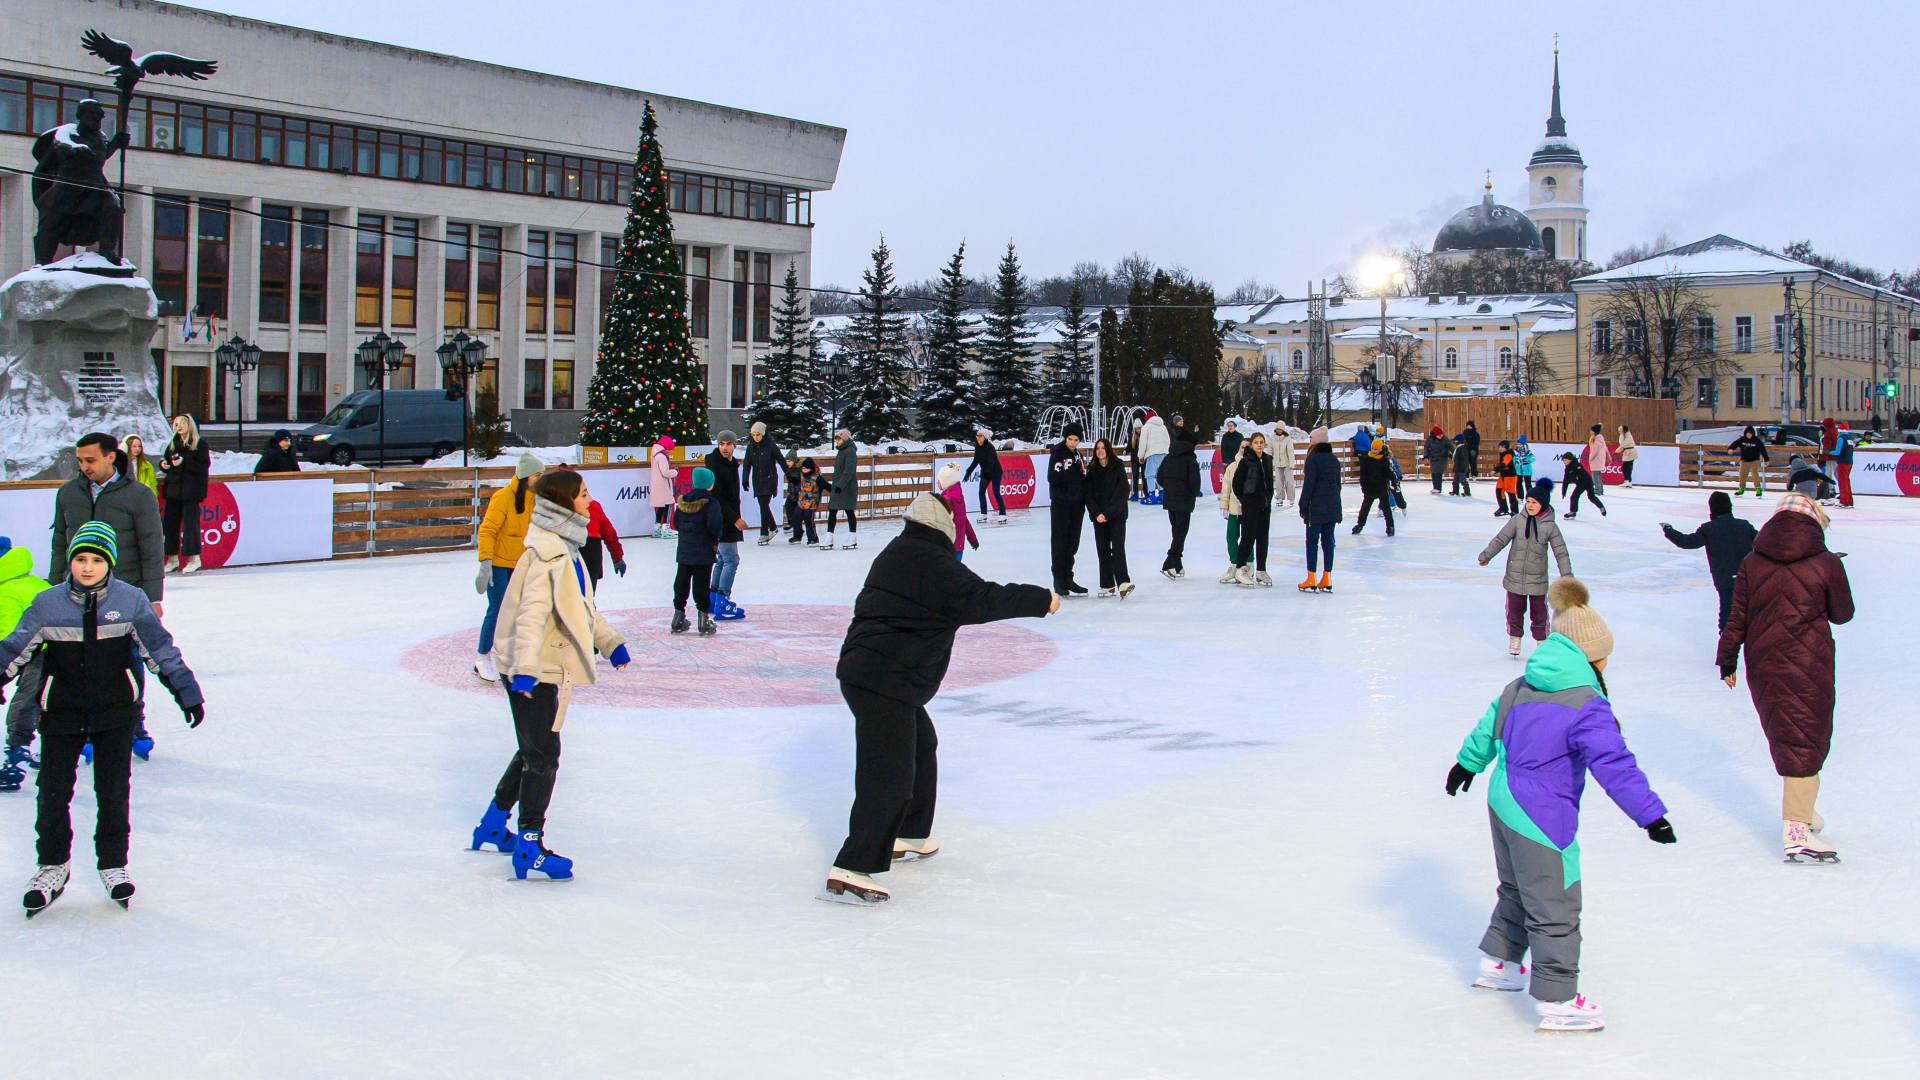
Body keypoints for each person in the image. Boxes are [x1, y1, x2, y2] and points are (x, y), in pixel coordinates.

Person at [1445, 577, 1674, 1033]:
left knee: (1515, 888)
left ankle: (1501, 965)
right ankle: (1558, 1000)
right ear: (1592, 656)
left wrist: (1466, 765)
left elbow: (1488, 727)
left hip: (1502, 801)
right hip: (1542, 815)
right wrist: (1650, 814)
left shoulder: (1521, 684)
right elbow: (1614, 764)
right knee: (1555, 902)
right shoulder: (1587, 704)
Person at [821, 494, 1057, 905]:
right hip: (884, 678)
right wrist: (1039, 599)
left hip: (878, 674)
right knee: (887, 774)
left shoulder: (902, 550)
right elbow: (980, 598)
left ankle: (908, 833)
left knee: (921, 746)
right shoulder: (929, 562)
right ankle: (852, 867)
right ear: (944, 526)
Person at [2, 522, 205, 916]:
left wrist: (187, 692)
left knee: (113, 793)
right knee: (52, 794)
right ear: (70, 562)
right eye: (81, 559)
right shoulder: (48, 604)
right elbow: (14, 648)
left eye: (97, 560)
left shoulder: (130, 601)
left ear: (108, 563)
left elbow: (160, 649)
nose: (88, 567)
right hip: (60, 714)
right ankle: (52, 867)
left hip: (115, 714)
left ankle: (113, 864)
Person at [471, 470, 631, 881]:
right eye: (582, 494)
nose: (589, 498)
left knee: (533, 748)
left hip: (539, 664)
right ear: (563, 504)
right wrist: (524, 671)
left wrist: (610, 642)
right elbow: (531, 616)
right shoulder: (549, 556)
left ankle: (493, 823)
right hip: (532, 667)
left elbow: (581, 610)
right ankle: (529, 846)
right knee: (544, 755)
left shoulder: (566, 550)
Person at [1716, 494, 1853, 863]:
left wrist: (1727, 659)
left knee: (1790, 734)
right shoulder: (1825, 562)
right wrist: (1832, 577)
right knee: (1805, 737)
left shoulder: (1752, 561)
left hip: (1762, 660)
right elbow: (1843, 614)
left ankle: (1803, 811)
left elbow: (1737, 615)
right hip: (1809, 661)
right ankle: (1796, 829)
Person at [1479, 478, 1572, 656]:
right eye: (1528, 501)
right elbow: (1501, 539)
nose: (1530, 505)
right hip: (1514, 576)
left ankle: (1541, 642)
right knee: (1514, 611)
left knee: (1539, 614)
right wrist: (1486, 555)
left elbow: (1561, 552)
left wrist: (1566, 575)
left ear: (1542, 504)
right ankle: (1515, 638)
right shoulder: (1517, 521)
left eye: (1534, 502)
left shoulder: (1550, 526)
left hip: (1537, 578)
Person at [474, 454, 544, 681]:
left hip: (522, 565)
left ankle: (510, 656)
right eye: (537, 475)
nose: (540, 479)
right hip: (498, 564)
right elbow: (487, 531)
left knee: (520, 612)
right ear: (526, 476)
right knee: (497, 610)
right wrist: (485, 564)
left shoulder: (535, 499)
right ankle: (482, 657)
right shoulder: (502, 498)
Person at [0, 536, 53, 793]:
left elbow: (10, 639)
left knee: (27, 701)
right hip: (66, 649)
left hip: (43, 651)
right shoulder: (34, 581)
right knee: (47, 700)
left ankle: (16, 756)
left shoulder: (6, 591)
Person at [1661, 492, 1757, 631]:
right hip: (1747, 578)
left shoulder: (1709, 529)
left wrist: (1668, 530)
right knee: (1751, 615)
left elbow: (1686, 542)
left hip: (1725, 580)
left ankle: (1727, 647)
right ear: (1729, 507)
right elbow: (1764, 541)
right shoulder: (1744, 526)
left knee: (1727, 617)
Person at [669, 467, 725, 636]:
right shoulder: (711, 502)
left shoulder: (684, 501)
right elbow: (715, 525)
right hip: (703, 551)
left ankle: (678, 617)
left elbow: (675, 523)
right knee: (701, 585)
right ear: (710, 484)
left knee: (681, 583)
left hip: (685, 551)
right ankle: (703, 620)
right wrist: (716, 539)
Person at [158, 414, 211, 575]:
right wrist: (164, 465)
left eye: (182, 423)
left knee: (190, 525)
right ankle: (172, 558)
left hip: (191, 491)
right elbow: (166, 462)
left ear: (190, 425)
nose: (178, 426)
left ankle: (194, 558)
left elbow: (203, 467)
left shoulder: (199, 444)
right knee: (170, 525)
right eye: (175, 424)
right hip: (174, 490)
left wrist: (185, 462)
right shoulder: (173, 443)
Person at [704, 431, 748, 620]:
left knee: (722, 559)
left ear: (734, 446)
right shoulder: (716, 465)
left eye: (728, 444)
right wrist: (734, 519)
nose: (724, 447)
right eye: (721, 443)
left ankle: (713, 599)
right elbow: (718, 498)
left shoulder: (730, 464)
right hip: (723, 519)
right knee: (731, 560)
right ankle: (722, 600)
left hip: (724, 518)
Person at [1084, 440, 1133, 597]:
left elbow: (1123, 491)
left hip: (1117, 515)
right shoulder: (1091, 469)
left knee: (1118, 549)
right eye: (1097, 448)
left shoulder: (1117, 466)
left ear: (1108, 450)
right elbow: (1088, 495)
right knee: (1103, 550)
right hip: (1099, 517)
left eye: (1103, 448)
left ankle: (1123, 583)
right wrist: (1096, 514)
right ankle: (1107, 584)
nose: (1100, 451)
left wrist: (1109, 513)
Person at [1297, 428, 1341, 593]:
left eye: (1311, 440)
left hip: (1315, 508)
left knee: (1312, 542)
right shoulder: (1334, 460)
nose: (1309, 442)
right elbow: (1338, 486)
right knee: (1328, 541)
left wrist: (1303, 505)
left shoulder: (1313, 459)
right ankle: (1327, 577)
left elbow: (1309, 485)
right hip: (1332, 506)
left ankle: (1311, 578)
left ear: (1316, 441)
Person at [1048, 423, 1088, 596]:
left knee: (1072, 542)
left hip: (1077, 504)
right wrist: (1072, 474)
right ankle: (1059, 579)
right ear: (1065, 438)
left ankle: (1068, 577)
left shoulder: (1077, 454)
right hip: (1061, 504)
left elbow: (1081, 476)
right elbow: (1052, 477)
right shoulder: (1058, 453)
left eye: (1076, 440)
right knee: (1060, 542)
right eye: (1070, 439)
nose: (1072, 443)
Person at [1232, 433, 1276, 586]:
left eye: (1261, 442)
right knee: (1248, 537)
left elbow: (1269, 483)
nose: (1259, 445)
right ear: (1251, 444)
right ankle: (1239, 568)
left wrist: (1268, 498)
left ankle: (1261, 571)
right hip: (1250, 505)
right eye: (1256, 442)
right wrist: (1245, 499)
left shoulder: (1268, 460)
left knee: (1263, 538)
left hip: (1265, 505)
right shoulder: (1246, 461)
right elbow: (1236, 484)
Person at [1158, 425, 1201, 580]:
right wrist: (1192, 493)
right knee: (1181, 532)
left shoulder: (1168, 457)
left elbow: (1159, 477)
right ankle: (1169, 562)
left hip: (1170, 499)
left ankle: (1177, 564)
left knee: (1176, 530)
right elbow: (1195, 483)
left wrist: (1170, 488)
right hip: (1184, 500)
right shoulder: (1190, 459)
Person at [743, 421, 784, 546]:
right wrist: (745, 479)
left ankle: (764, 532)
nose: (756, 437)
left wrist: (790, 475)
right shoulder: (750, 448)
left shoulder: (771, 446)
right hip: (758, 480)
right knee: (763, 505)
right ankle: (773, 527)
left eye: (758, 434)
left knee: (763, 505)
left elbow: (782, 461)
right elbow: (747, 465)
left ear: (763, 434)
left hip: (769, 479)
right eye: (754, 435)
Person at [581, 487, 626, 589]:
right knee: (588, 596)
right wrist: (617, 558)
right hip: (592, 553)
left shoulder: (557, 508)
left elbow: (609, 533)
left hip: (585, 552)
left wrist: (617, 557)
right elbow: (609, 533)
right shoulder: (593, 505)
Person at [1352, 436, 1396, 537]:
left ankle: (1390, 527)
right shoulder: (1367, 459)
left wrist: (1392, 480)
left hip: (1381, 487)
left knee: (1386, 508)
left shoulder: (1384, 460)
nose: (1374, 451)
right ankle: (1360, 524)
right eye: (1372, 448)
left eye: (1376, 449)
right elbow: (1363, 475)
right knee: (1365, 508)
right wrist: (1363, 486)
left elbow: (1388, 473)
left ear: (1380, 449)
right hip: (1370, 488)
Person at [935, 463, 979, 562]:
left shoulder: (946, 499)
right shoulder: (959, 497)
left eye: (940, 480)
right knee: (954, 572)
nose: (938, 482)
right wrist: (973, 539)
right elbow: (964, 520)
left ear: (947, 481)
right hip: (959, 547)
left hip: (947, 547)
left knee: (946, 574)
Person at [825, 429, 860, 550]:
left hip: (847, 487)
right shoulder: (841, 451)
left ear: (845, 439)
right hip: (838, 486)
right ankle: (829, 535)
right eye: (836, 438)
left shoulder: (850, 451)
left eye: (839, 438)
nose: (837, 441)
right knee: (832, 510)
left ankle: (852, 536)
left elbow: (849, 471)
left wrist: (840, 485)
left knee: (849, 510)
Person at [964, 428, 1006, 523]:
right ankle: (983, 514)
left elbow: (991, 463)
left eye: (980, 436)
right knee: (981, 492)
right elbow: (976, 461)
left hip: (995, 472)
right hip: (985, 471)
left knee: (996, 492)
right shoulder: (977, 447)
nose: (977, 438)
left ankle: (1003, 514)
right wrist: (968, 472)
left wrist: (987, 475)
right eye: (977, 436)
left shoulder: (990, 447)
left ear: (985, 437)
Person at [1216, 439, 1243, 586]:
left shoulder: (1254, 465)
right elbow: (1226, 488)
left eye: (1247, 447)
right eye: (1242, 447)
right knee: (1231, 537)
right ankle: (1234, 564)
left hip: (1249, 510)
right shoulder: (1232, 467)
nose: (1244, 449)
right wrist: (1224, 506)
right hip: (1233, 508)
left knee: (1247, 539)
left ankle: (1247, 566)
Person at [1559, 453, 1607, 520]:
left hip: (1587, 482)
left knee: (1591, 497)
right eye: (1563, 460)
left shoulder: (1577, 465)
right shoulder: (1567, 469)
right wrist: (1563, 492)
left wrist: (1576, 478)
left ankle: (1601, 507)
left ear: (1570, 459)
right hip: (1580, 483)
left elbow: (1582, 475)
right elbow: (1565, 481)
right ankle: (1573, 512)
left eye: (1565, 460)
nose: (1564, 462)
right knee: (1574, 497)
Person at [648, 436, 679, 539]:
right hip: (663, 486)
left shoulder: (655, 455)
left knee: (661, 507)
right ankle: (666, 528)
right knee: (669, 504)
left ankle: (657, 528)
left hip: (657, 485)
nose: (669, 452)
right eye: (669, 449)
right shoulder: (661, 456)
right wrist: (675, 472)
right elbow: (665, 472)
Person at [1137, 411, 1170, 505]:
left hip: (1152, 453)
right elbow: (1168, 440)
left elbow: (1143, 443)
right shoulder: (1163, 426)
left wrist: (1141, 456)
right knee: (1162, 474)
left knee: (1150, 474)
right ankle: (1162, 496)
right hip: (1164, 453)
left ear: (1147, 419)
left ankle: (1152, 497)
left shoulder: (1146, 427)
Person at [1728, 425, 1771, 496]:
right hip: (1744, 461)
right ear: (1745, 433)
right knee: (1742, 475)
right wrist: (1730, 449)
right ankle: (1741, 489)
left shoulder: (1756, 440)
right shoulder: (1742, 439)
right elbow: (1734, 444)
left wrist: (1766, 459)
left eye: (1750, 433)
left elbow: (1763, 450)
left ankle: (1758, 489)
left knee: (1755, 475)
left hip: (1754, 461)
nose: (1749, 435)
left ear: (1753, 434)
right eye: (1747, 433)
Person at [792, 457, 823, 547]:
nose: (804, 470)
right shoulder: (801, 475)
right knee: (796, 516)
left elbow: (826, 486)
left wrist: (835, 490)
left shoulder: (817, 477)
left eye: (806, 469)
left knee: (808, 518)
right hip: (801, 501)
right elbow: (795, 481)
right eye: (803, 468)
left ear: (811, 468)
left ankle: (813, 538)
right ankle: (797, 536)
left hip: (812, 502)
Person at [1272, 427, 1298, 508]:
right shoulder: (1273, 438)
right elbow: (1271, 450)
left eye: (1280, 429)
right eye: (1277, 429)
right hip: (1277, 463)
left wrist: (1292, 464)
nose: (1279, 430)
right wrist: (1270, 461)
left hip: (1287, 463)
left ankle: (1291, 498)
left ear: (1283, 430)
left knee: (1289, 481)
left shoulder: (1287, 439)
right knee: (1279, 481)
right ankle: (1279, 498)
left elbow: (1291, 452)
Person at [1832, 422, 1855, 509]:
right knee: (1846, 481)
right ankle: (1849, 500)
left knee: (1842, 482)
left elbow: (1837, 451)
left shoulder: (1841, 438)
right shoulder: (1850, 438)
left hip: (1842, 462)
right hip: (1849, 462)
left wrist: (1829, 452)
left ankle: (1844, 501)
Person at [1492, 440, 1519, 518]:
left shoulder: (1508, 455)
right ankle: (1503, 508)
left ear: (1506, 448)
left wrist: (1495, 470)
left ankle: (1515, 511)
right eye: (1499, 447)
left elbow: (1504, 464)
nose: (1500, 448)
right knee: (1499, 491)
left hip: (1510, 476)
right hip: (1503, 476)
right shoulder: (1503, 454)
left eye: (1502, 447)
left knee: (1511, 494)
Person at [1583, 424, 1610, 495]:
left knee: (1595, 476)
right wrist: (1608, 457)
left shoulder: (1596, 440)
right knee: (1598, 475)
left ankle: (1597, 490)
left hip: (1596, 460)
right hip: (1600, 459)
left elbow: (1594, 451)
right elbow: (1606, 449)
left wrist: (1590, 459)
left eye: (1591, 430)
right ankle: (1600, 489)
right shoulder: (1601, 439)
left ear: (1593, 431)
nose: (1590, 431)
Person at [1424, 425, 1450, 494]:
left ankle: (1438, 488)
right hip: (1433, 458)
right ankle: (1435, 487)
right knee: (1434, 473)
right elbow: (1426, 446)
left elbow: (1450, 446)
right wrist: (1426, 455)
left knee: (1438, 472)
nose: (1441, 436)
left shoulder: (1445, 438)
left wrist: (1453, 454)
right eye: (1439, 435)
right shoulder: (1430, 439)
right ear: (1435, 435)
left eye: (1441, 434)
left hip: (1442, 457)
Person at [1450, 433, 1475, 497]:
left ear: (1459, 441)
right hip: (1458, 468)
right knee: (1455, 481)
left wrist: (1462, 467)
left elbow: (1463, 459)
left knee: (1463, 481)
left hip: (1461, 468)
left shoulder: (1462, 448)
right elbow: (1455, 458)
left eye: (1455, 440)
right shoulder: (1458, 448)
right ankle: (1455, 491)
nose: (1454, 441)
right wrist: (1450, 455)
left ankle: (1467, 492)